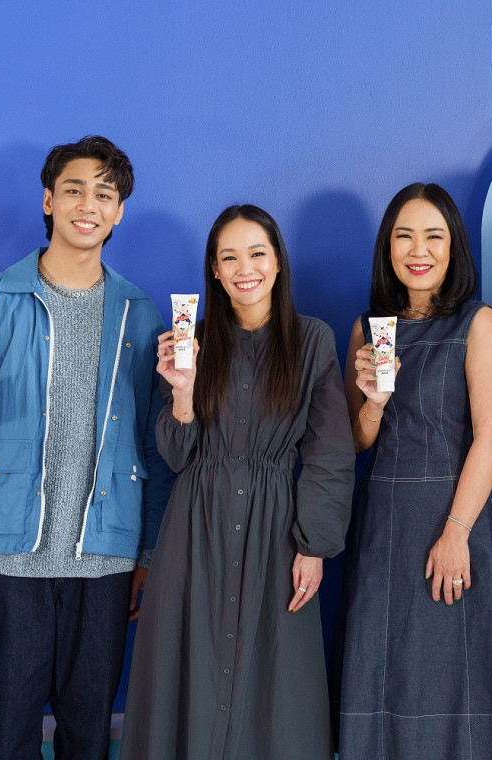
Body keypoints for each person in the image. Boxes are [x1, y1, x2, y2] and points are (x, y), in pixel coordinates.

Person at [0, 135, 173, 759]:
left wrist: (146, 553)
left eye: (104, 194)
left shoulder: (140, 313)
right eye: (74, 189)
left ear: (119, 212)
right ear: (48, 201)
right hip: (5, 557)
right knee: (11, 735)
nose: (88, 205)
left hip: (104, 558)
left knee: (90, 734)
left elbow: (153, 446)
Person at [119, 204, 354, 760]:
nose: (245, 268)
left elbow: (328, 453)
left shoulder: (312, 340)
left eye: (257, 253)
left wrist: (314, 545)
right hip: (193, 531)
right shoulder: (190, 341)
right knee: (190, 671)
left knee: (273, 678)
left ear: (278, 262)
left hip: (278, 534)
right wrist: (181, 392)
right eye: (230, 257)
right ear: (215, 270)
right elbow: (174, 456)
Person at [335, 183, 492, 760]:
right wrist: (373, 402)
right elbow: (353, 441)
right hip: (382, 520)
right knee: (381, 670)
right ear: (387, 248)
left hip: (454, 514)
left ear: (453, 247)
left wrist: (456, 533)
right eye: (404, 236)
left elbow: (491, 436)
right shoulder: (367, 329)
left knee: (455, 677)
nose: (418, 250)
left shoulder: (478, 321)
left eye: (433, 236)